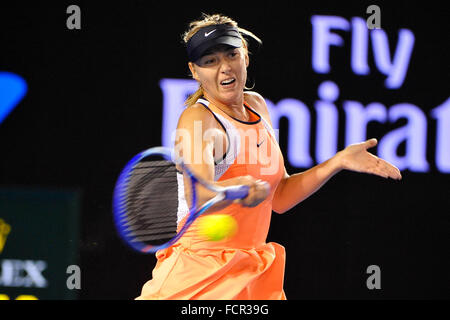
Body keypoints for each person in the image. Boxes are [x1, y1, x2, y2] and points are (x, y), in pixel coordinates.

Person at [136, 13, 401, 300]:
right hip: (197, 276)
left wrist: (336, 162)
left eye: (231, 54)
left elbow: (281, 196)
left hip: (250, 273)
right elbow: (197, 192)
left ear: (245, 56)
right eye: (209, 61)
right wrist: (237, 189)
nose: (224, 68)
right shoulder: (197, 118)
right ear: (195, 71)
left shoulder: (258, 106)